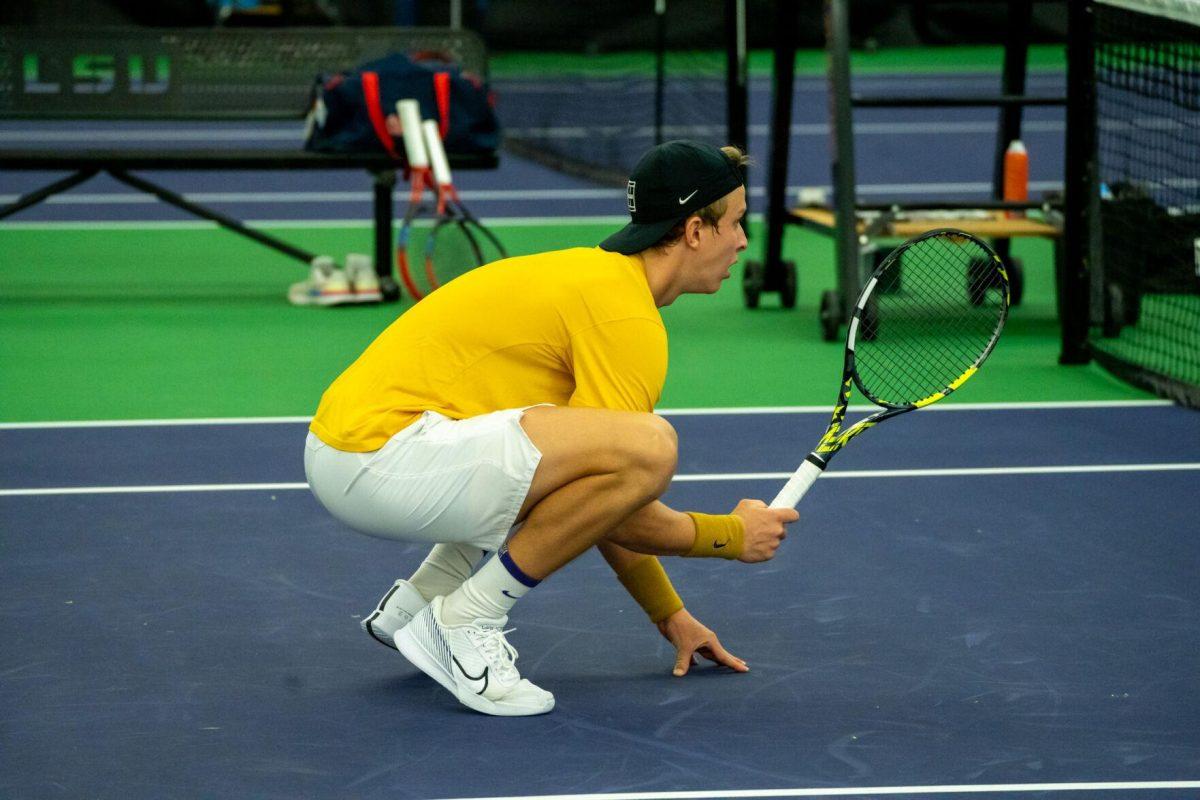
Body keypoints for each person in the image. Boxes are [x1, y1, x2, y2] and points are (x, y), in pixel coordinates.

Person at [304, 140, 799, 716]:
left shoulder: (592, 280)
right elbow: (626, 503)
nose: (743, 241)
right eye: (737, 223)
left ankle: (421, 603)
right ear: (694, 230)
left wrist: (671, 616)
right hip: (382, 463)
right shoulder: (623, 315)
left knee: (595, 459)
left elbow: (597, 497)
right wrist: (730, 536)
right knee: (652, 446)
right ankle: (465, 621)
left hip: (347, 453)